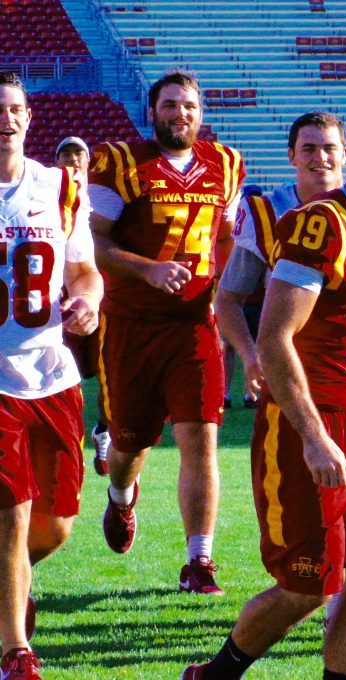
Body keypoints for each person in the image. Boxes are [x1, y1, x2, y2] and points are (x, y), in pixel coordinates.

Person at [182, 114, 346, 680]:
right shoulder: (320, 225)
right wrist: (314, 436)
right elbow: (273, 336)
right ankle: (215, 674)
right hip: (311, 422)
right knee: (308, 585)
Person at [88, 71, 245, 592]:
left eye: (190, 106)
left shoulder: (224, 163)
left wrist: (223, 288)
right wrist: (149, 269)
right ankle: (120, 494)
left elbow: (223, 237)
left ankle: (199, 561)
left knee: (201, 437)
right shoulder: (120, 163)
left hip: (194, 325)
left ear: (201, 113)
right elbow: (97, 245)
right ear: (152, 111)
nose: (182, 114)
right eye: (171, 105)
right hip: (132, 324)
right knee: (131, 442)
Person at [0, 72, 102, 680]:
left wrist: (89, 301)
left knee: (56, 524)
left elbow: (85, 270)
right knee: (11, 511)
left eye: (14, 109)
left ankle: (9, 588)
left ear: (29, 118)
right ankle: (15, 651)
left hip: (52, 372)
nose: (4, 119)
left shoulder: (59, 186)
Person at [215, 111, 346, 411]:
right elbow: (227, 299)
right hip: (289, 368)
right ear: (292, 157)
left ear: (344, 153)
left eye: (329, 148)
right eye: (309, 149)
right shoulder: (267, 213)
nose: (321, 157)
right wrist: (251, 355)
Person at [53, 136, 112, 474]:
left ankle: (105, 431)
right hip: (57, 297)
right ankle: (66, 443)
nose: (73, 159)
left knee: (109, 374)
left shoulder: (103, 199)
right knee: (64, 376)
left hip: (98, 294)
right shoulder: (46, 194)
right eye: (66, 154)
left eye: (79, 154)